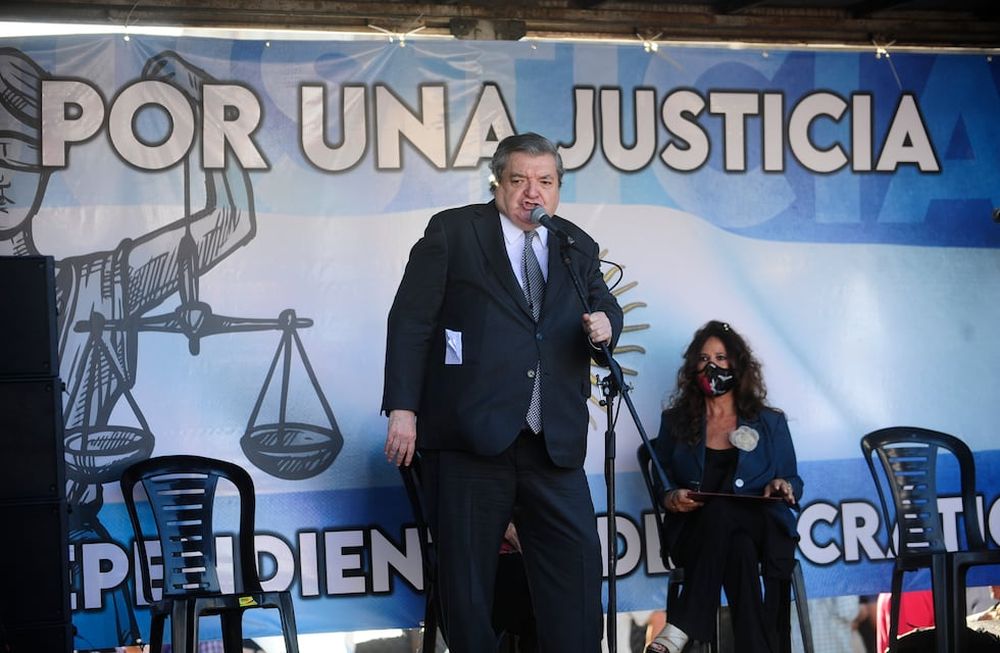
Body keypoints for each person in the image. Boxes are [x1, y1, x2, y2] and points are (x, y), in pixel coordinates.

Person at [382, 132, 623, 653]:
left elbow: (604, 304)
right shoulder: (453, 233)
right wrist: (403, 409)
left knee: (578, 573)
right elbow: (411, 322)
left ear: (558, 187)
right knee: (467, 588)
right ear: (498, 184)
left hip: (551, 441)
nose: (531, 193)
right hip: (472, 438)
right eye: (519, 181)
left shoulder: (574, 243)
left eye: (545, 181)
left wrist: (607, 324)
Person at [646, 320, 802, 653]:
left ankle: (684, 625)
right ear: (692, 367)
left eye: (721, 357)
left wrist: (782, 484)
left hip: (762, 527)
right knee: (737, 549)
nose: (712, 365)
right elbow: (664, 480)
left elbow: (793, 480)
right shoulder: (675, 421)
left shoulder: (769, 420)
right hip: (695, 535)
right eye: (703, 358)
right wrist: (670, 496)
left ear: (737, 364)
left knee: (725, 514)